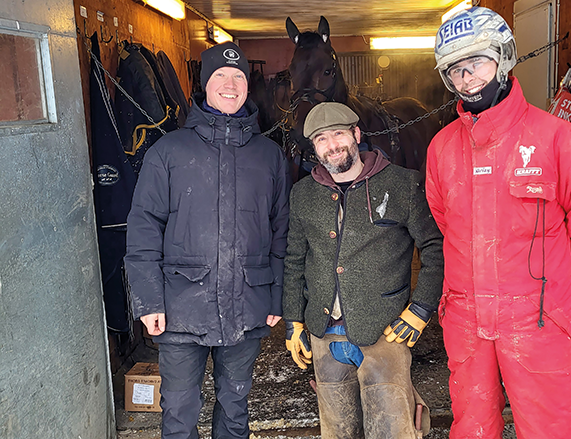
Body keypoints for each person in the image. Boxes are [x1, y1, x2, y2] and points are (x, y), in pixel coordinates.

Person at [426, 7, 571, 439]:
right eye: (455, 70)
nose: (467, 77)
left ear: (504, 57)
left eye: (476, 62)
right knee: (472, 426)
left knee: (546, 427)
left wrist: (557, 284)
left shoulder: (552, 137)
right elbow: (445, 219)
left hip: (537, 316)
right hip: (467, 316)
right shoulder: (441, 148)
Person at [124, 42, 290, 439]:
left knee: (235, 407)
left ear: (248, 87)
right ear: (204, 85)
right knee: (180, 413)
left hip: (247, 303)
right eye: (220, 76)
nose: (230, 85)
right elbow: (144, 226)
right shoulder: (168, 151)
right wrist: (148, 301)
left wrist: (276, 295)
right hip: (182, 307)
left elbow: (281, 230)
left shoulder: (270, 156)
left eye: (238, 77)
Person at [282, 102, 444, 438]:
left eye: (339, 134)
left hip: (384, 333)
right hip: (324, 335)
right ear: (314, 147)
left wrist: (420, 310)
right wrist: (293, 321)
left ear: (356, 135)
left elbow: (436, 249)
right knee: (338, 431)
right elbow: (295, 258)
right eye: (322, 139)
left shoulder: (403, 185)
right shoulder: (303, 194)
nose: (332, 145)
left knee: (391, 429)